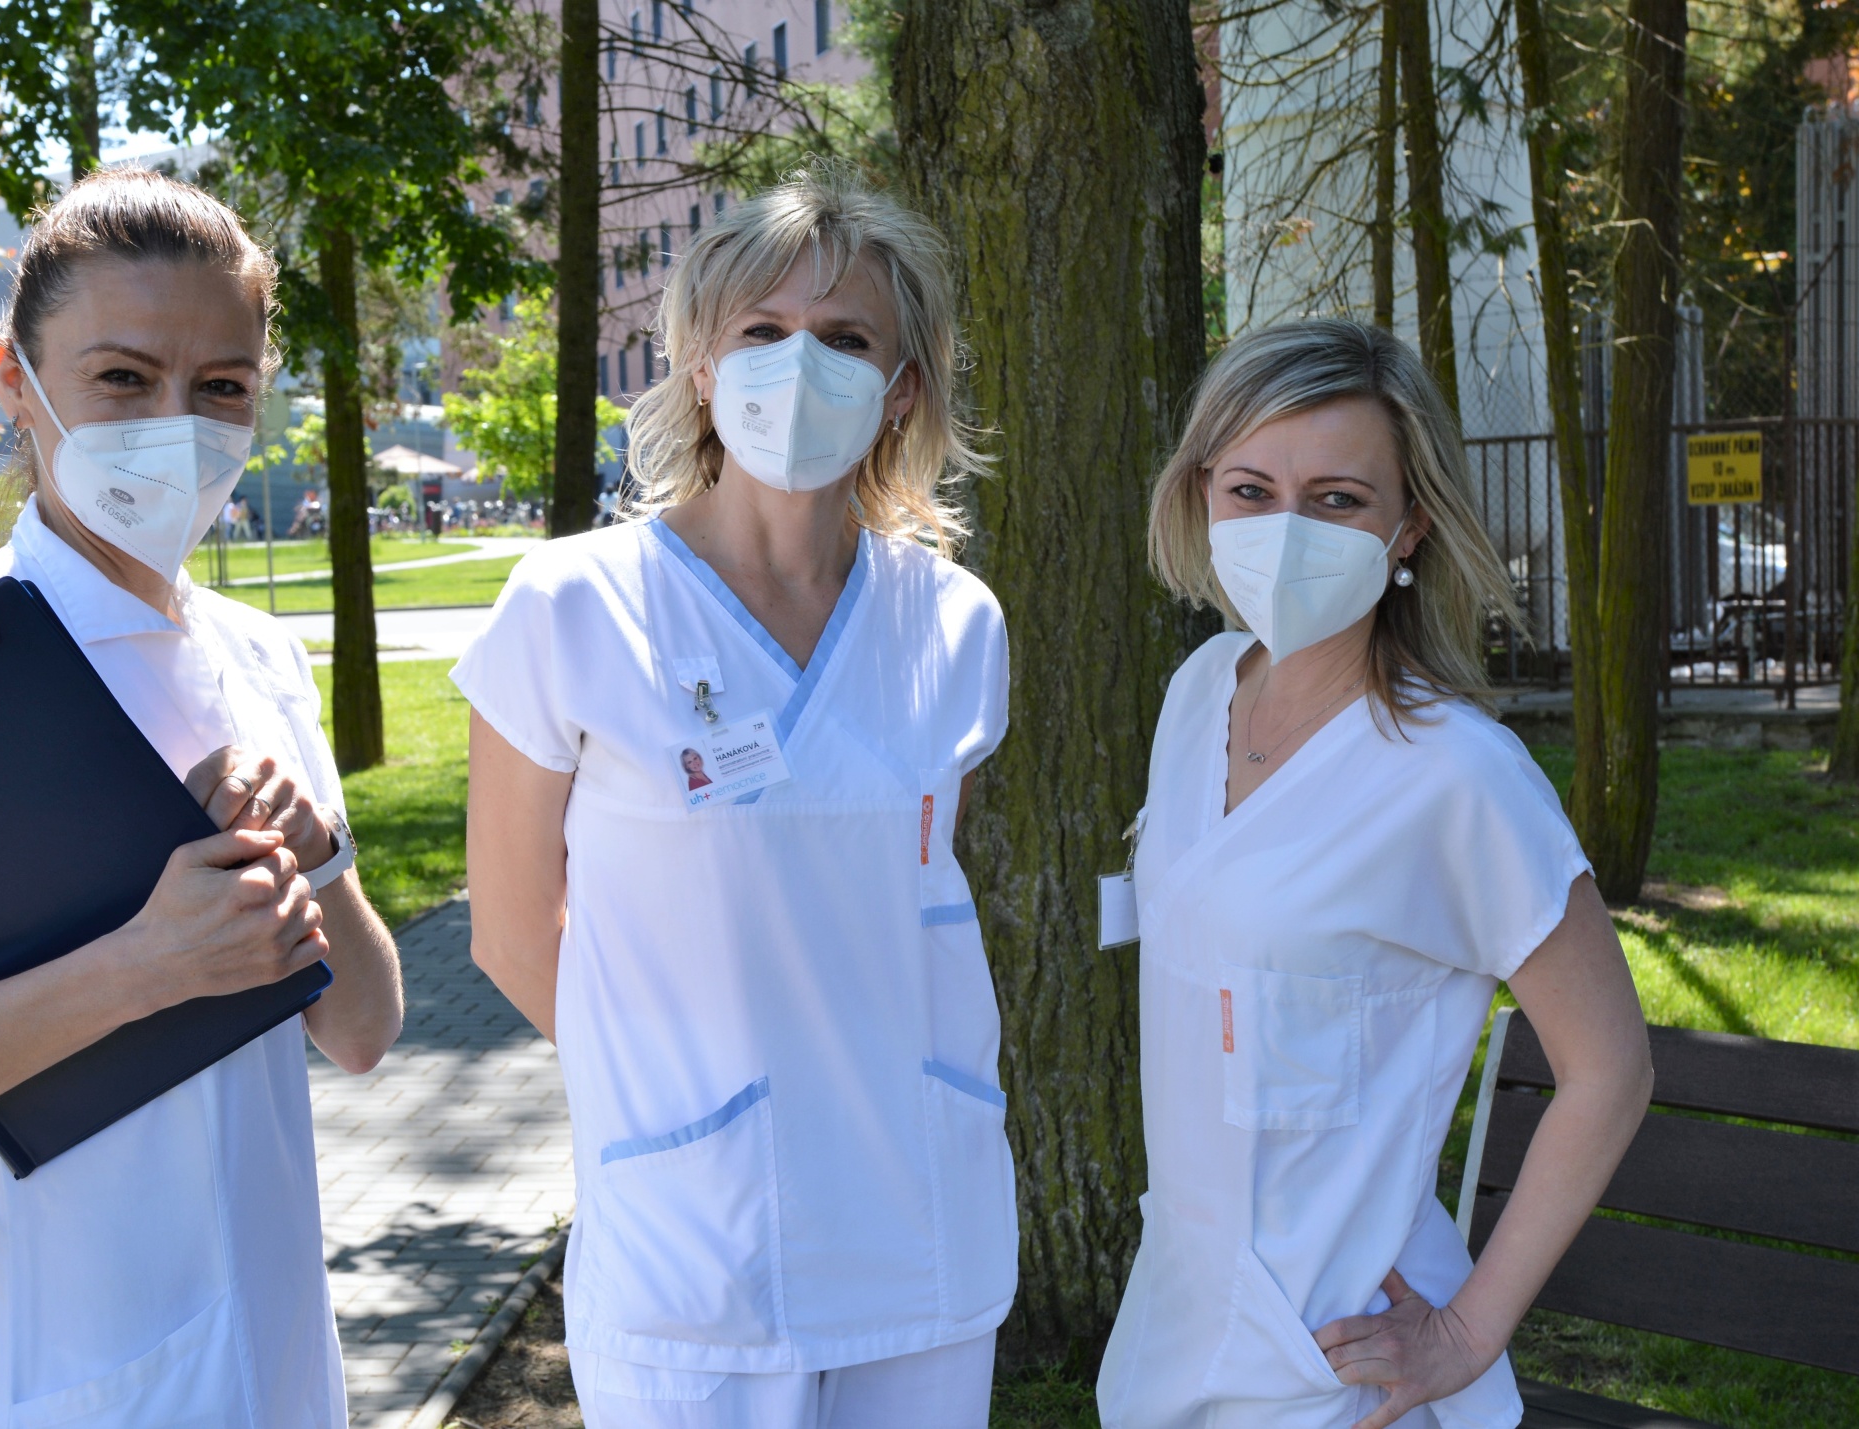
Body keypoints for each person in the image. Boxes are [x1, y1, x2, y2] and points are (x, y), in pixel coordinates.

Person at [0, 168, 406, 1428]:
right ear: (16, 380)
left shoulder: (258, 657)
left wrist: (316, 856)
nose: (176, 423)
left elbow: (365, 1028)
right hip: (89, 1377)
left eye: (222, 386)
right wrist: (147, 967)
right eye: (121, 376)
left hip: (283, 1356)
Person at [457, 166, 1014, 1429]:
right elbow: (508, 935)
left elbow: (905, 902)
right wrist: (684, 1092)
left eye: (845, 338)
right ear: (701, 366)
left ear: (901, 385)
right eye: (762, 330)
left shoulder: (953, 623)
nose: (798, 363)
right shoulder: (573, 606)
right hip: (694, 1245)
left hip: (918, 1225)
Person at [1096, 320, 1654, 1429]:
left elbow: (1610, 1070)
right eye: (1251, 490)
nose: (1285, 531)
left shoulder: (1456, 775)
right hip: (1175, 1339)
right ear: (1201, 494)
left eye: (1338, 500)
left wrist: (1466, 1332)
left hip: (1345, 1375)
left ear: (1409, 525)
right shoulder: (1200, 691)